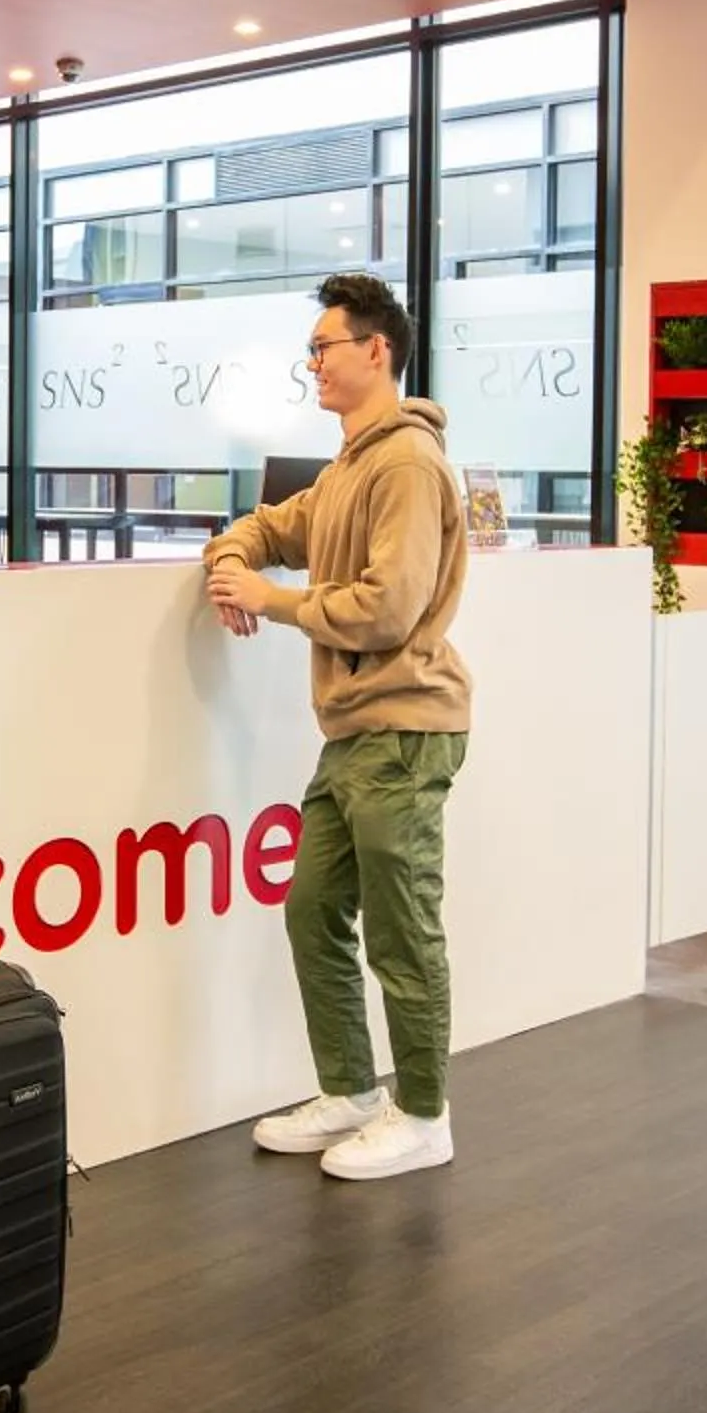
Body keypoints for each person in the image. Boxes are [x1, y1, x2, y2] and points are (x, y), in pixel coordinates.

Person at [203, 272, 473, 1182]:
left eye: (323, 347)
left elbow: (387, 609)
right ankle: (352, 1091)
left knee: (402, 929)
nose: (313, 364)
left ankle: (424, 1113)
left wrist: (271, 601)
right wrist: (231, 562)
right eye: (312, 350)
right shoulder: (349, 467)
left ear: (376, 349)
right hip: (356, 732)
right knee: (313, 908)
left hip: (405, 727)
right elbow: (269, 528)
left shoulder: (406, 465)